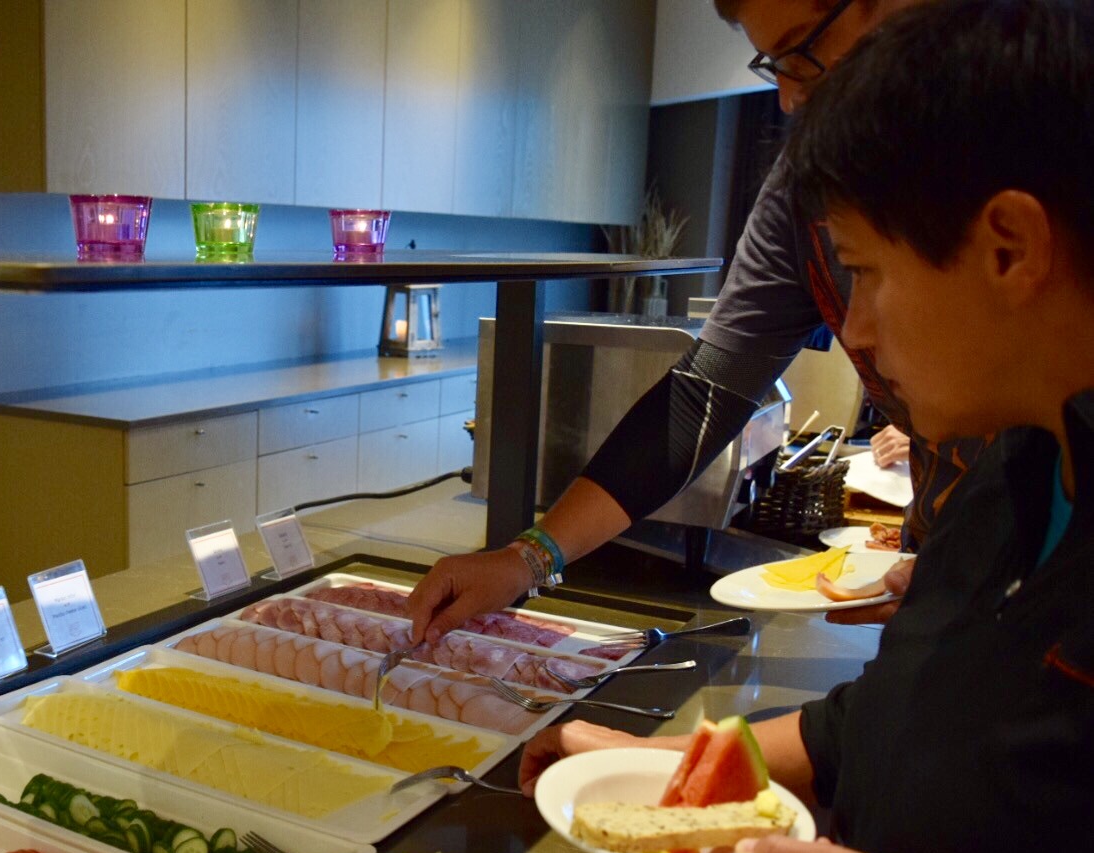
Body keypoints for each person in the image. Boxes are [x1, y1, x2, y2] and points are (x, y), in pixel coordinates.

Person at [525, 1, 1094, 853]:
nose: (855, 331)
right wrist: (652, 764)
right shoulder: (1004, 473)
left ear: (1010, 246)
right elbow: (875, 727)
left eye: (865, 272)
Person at [409, 0, 985, 639]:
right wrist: (529, 557)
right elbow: (702, 397)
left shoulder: (1030, 130)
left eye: (801, 50)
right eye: (773, 64)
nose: (789, 98)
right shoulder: (802, 189)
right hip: (957, 563)